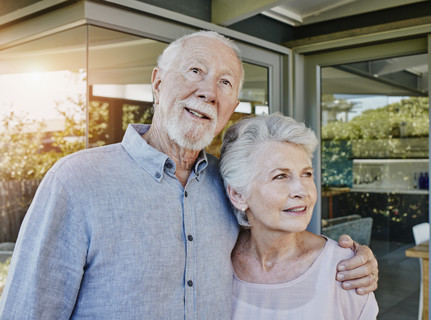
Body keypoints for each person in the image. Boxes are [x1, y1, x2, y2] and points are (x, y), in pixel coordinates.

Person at [0, 31, 377, 319]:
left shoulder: (228, 182)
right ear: (158, 82)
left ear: (231, 107)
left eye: (225, 84)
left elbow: (275, 233)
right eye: (195, 71)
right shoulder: (76, 180)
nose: (209, 92)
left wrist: (351, 259)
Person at [220, 113, 379, 319]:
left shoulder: (345, 269)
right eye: (280, 176)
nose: (301, 190)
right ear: (239, 195)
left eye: (306, 174)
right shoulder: (217, 262)